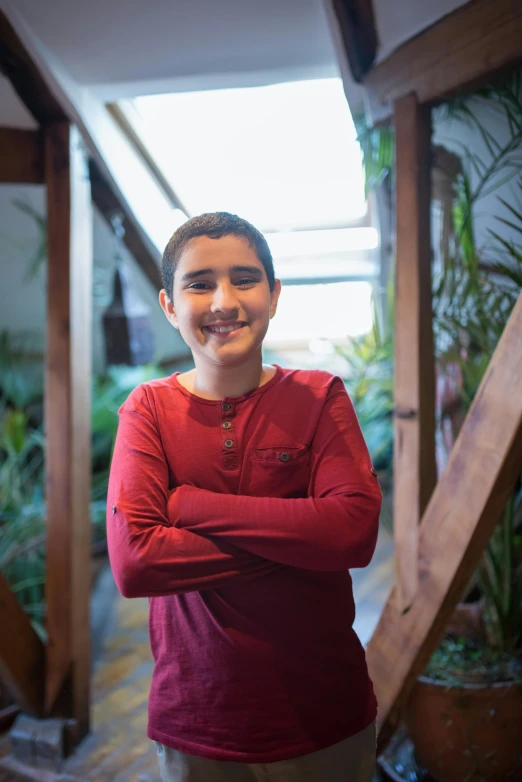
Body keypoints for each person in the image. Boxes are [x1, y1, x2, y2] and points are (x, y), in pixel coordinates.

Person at [107, 211, 382, 782]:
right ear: (168, 305)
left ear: (275, 294)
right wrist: (303, 538)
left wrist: (188, 506)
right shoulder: (148, 411)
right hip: (197, 718)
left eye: (245, 279)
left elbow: (353, 532)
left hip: (324, 714)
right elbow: (136, 563)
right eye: (199, 284)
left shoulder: (319, 396)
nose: (223, 301)